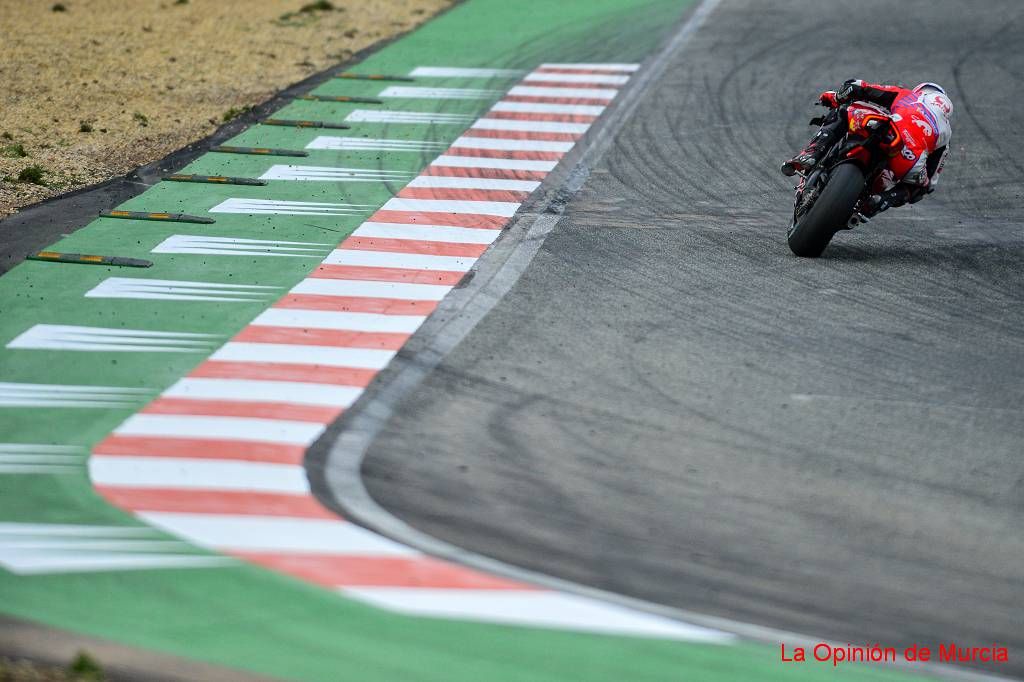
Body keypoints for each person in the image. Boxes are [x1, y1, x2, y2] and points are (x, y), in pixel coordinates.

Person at [781, 80, 952, 218]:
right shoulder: (946, 133)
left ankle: (812, 153)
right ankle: (881, 202)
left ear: (922, 92)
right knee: (917, 187)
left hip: (893, 130)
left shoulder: (909, 96)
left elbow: (860, 87)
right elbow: (930, 182)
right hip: (910, 159)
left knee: (845, 110)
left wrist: (837, 95)